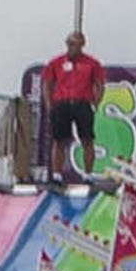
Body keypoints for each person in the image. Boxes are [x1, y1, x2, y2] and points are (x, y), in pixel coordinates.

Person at [42, 31, 104, 185]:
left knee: (87, 140)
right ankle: (57, 175)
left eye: (74, 44)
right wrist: (50, 104)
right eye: (69, 43)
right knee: (59, 141)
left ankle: (88, 175)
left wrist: (96, 103)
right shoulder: (56, 62)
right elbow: (47, 84)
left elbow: (100, 84)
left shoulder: (91, 63)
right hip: (61, 104)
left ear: (82, 45)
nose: (71, 47)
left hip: (82, 104)